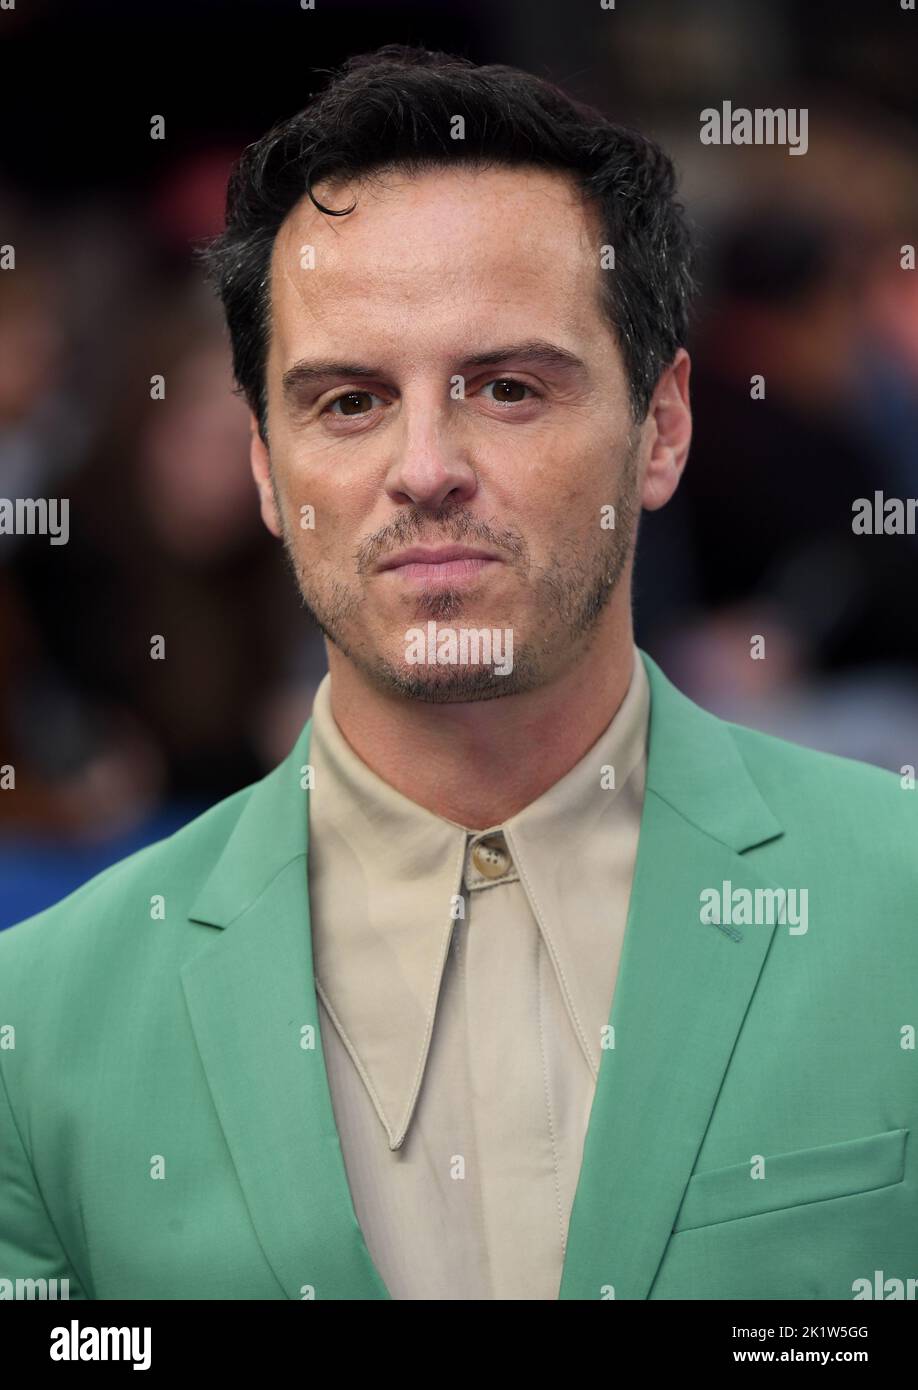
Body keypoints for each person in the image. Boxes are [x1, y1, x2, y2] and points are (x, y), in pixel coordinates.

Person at [1, 45, 915, 1303]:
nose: (426, 465)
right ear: (265, 465)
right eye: (350, 401)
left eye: (507, 386)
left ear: (664, 425)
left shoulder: (898, 904)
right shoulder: (41, 1028)